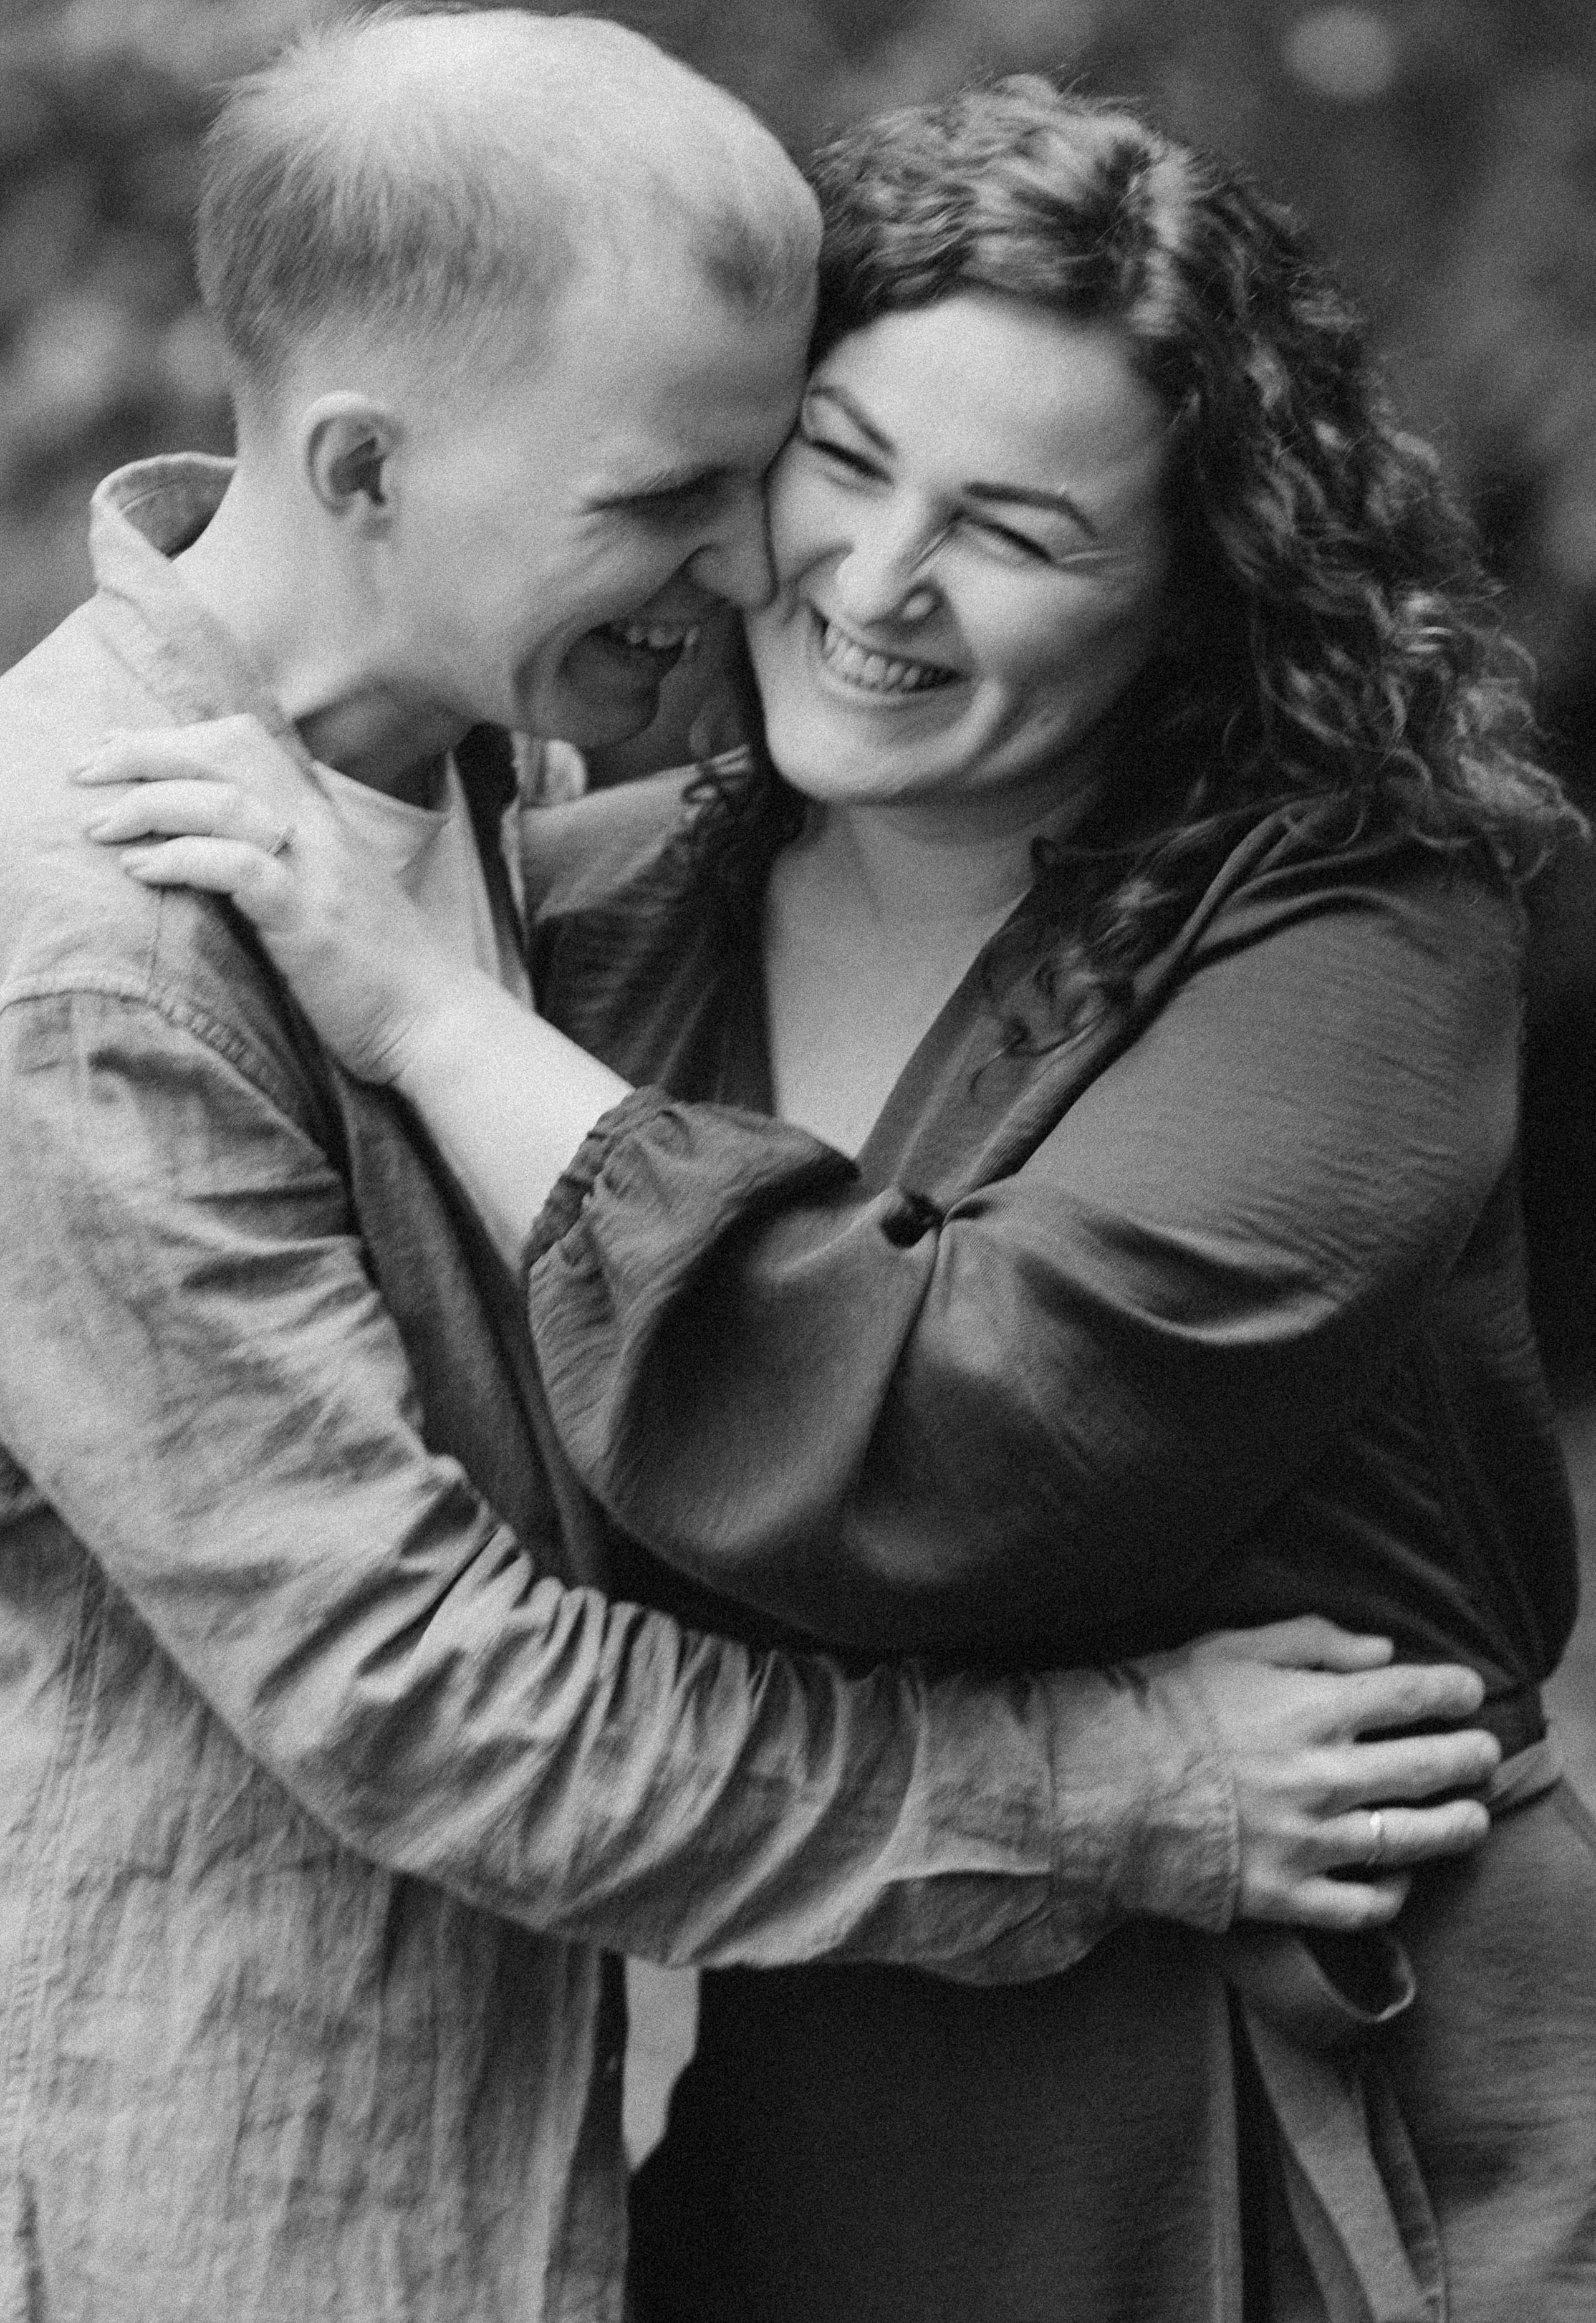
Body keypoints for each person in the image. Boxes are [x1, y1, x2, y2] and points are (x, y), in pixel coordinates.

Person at [0, 19, 1506, 2323]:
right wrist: (1118, 1782)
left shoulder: (490, 881)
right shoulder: (336, 912)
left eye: (1012, 530)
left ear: (1190, 584)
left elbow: (970, 1431)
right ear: (369, 466)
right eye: (796, 469)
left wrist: (431, 1015)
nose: (799, 572)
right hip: (403, 2171)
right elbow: (438, 1681)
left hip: (1317, 2089)